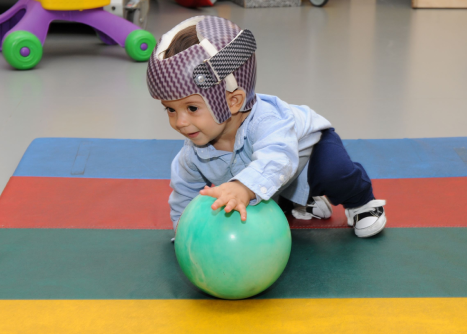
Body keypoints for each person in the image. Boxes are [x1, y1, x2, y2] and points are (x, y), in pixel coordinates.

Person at [146, 16, 386, 239]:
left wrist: (242, 187)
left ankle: (362, 203)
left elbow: (277, 159)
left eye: (192, 108)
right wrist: (185, 230)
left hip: (310, 150)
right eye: (170, 109)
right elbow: (185, 194)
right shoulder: (192, 154)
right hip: (273, 176)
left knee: (333, 173)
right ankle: (301, 199)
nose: (180, 122)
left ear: (233, 101)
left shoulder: (266, 121)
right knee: (253, 197)